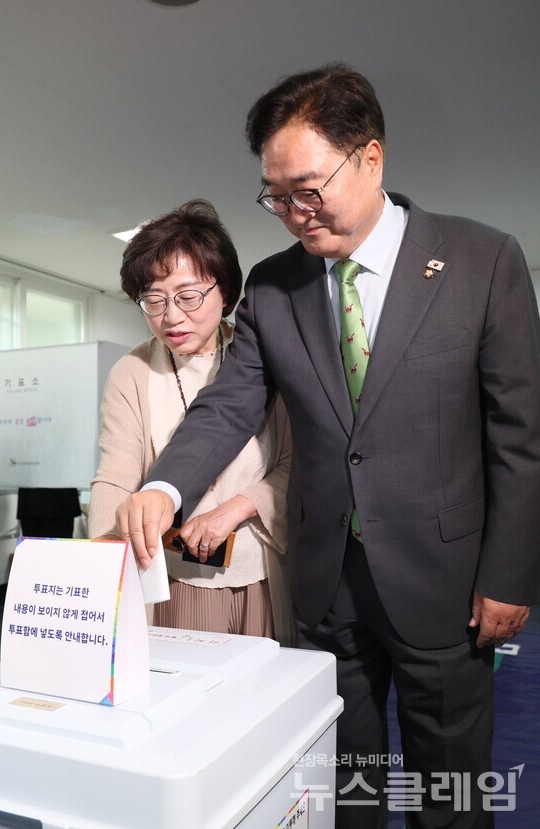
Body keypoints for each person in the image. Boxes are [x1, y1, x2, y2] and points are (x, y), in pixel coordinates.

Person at [114, 65, 540, 828]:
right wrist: (163, 487)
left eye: (308, 189)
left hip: (446, 583)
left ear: (370, 158)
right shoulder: (275, 289)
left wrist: (509, 575)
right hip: (326, 590)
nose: (293, 214)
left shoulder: (482, 262)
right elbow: (227, 405)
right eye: (276, 197)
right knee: (346, 783)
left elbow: (520, 439)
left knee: (453, 790)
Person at [89, 199, 294, 645]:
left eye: (187, 296)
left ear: (225, 292)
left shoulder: (265, 359)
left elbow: (297, 465)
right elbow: (115, 477)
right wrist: (103, 572)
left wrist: (236, 508)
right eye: (153, 300)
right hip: (167, 582)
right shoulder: (132, 372)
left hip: (256, 573)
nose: (171, 317)